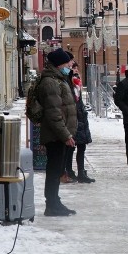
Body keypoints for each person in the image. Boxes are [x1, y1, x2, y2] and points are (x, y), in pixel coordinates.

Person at [36, 48, 78, 215]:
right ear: (60, 64)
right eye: (67, 63)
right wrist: (65, 135)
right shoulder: (51, 82)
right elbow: (54, 113)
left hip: (60, 134)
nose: (70, 65)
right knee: (54, 170)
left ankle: (55, 201)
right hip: (56, 135)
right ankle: (51, 205)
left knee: (56, 169)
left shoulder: (59, 79)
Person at [65, 60, 95, 183]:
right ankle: (69, 171)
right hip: (72, 119)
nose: (76, 70)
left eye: (76, 68)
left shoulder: (77, 83)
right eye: (73, 67)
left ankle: (81, 172)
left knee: (81, 147)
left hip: (80, 118)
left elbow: (79, 101)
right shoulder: (66, 83)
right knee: (70, 148)